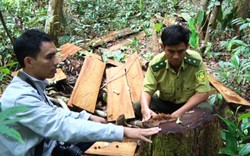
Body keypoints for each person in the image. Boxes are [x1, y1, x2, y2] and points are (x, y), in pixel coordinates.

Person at [0, 29, 161, 156]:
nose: (57, 61)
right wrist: (123, 131)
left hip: (46, 146)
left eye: (55, 55)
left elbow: (52, 113)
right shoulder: (20, 98)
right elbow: (60, 126)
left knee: (93, 132)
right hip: (39, 151)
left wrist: (86, 116)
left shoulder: (29, 85)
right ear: (29, 62)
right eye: (49, 57)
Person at [134, 25, 212, 122]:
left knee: (206, 109)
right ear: (163, 47)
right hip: (165, 103)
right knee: (138, 106)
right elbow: (147, 90)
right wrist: (145, 109)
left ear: (187, 47)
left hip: (188, 104)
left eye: (180, 51)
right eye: (171, 51)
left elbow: (203, 92)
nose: (176, 56)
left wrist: (179, 113)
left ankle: (164, 123)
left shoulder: (196, 62)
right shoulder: (156, 64)